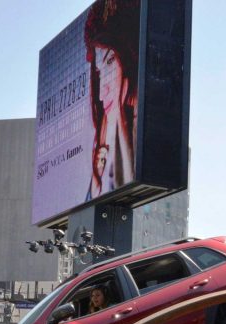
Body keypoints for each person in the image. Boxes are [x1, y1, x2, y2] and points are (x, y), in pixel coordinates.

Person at [84, 0, 139, 201]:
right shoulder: (103, 136)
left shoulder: (142, 129)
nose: (102, 91)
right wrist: (96, 181)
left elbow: (129, 179)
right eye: (99, 72)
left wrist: (118, 121)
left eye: (110, 61)